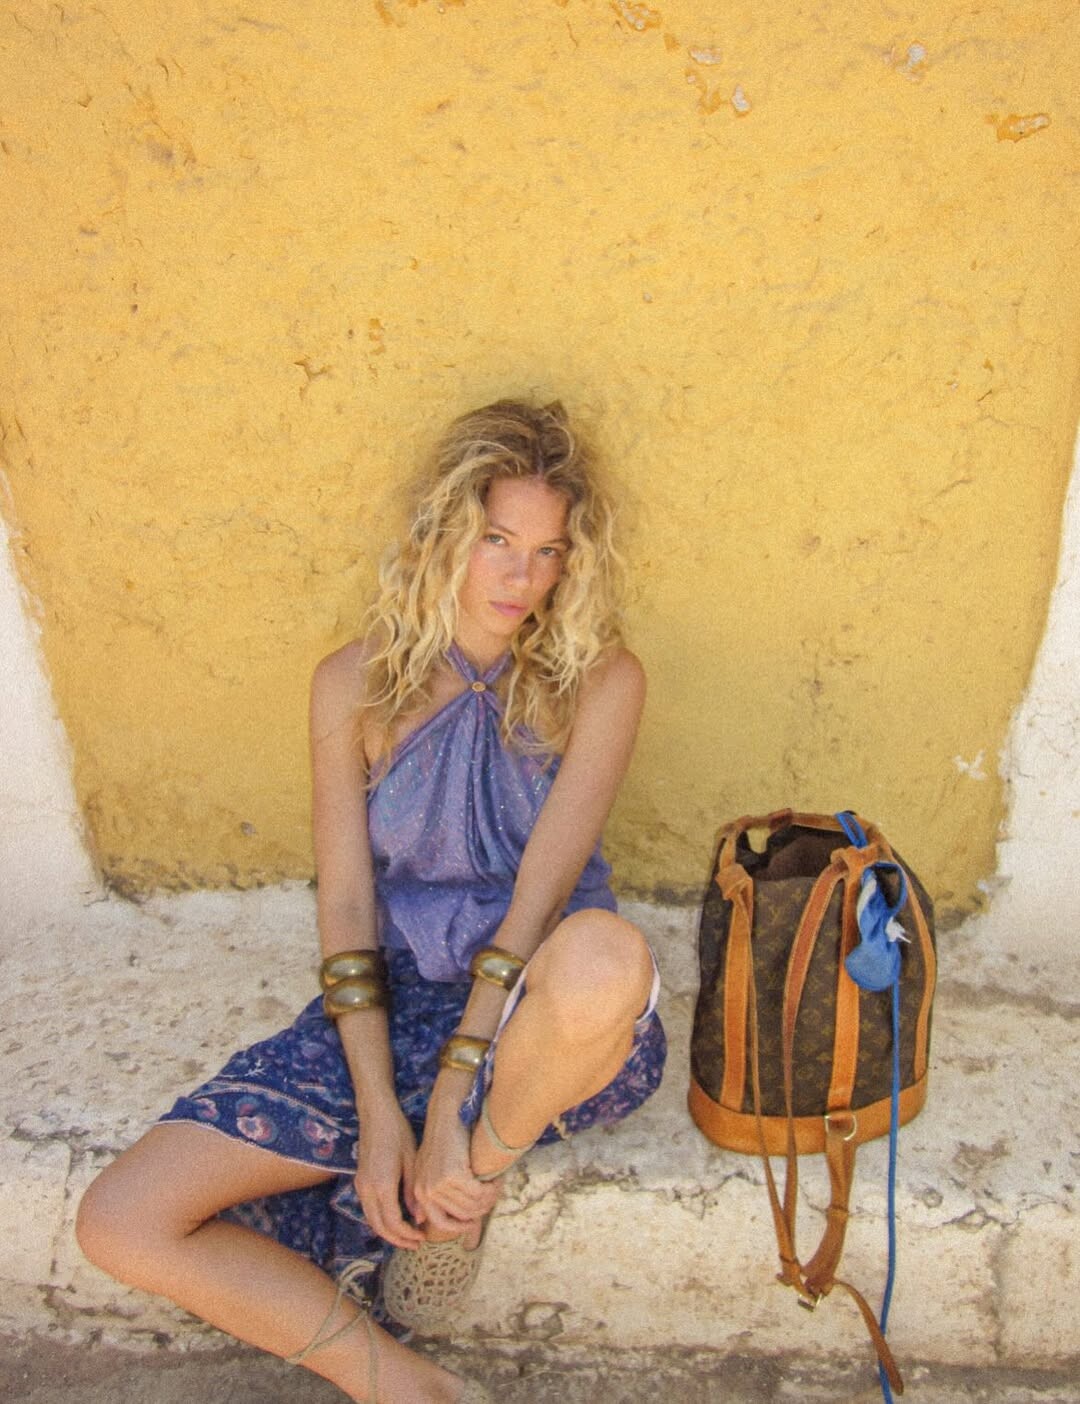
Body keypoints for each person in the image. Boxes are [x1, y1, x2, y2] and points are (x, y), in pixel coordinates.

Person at [77, 399, 667, 1403]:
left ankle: (464, 1192)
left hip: (539, 1018)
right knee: (121, 1219)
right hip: (398, 1002)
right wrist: (381, 1109)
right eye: (495, 541)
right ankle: (404, 1386)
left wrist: (451, 1107)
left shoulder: (601, 682)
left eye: (549, 552)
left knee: (605, 956)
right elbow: (348, 910)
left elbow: (538, 904)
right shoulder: (350, 686)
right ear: (445, 534)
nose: (521, 578)